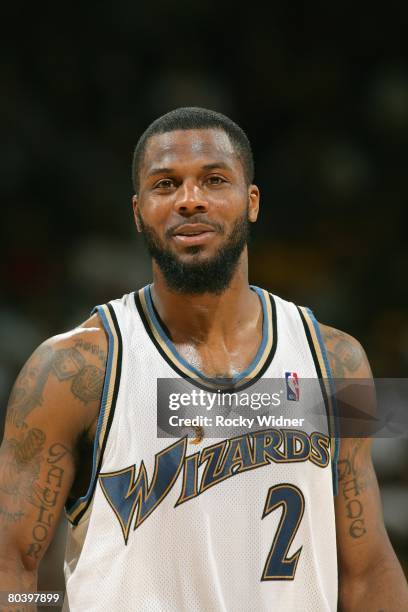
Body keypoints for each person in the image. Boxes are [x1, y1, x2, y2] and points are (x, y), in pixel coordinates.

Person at [0, 107, 407, 612]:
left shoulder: (336, 360)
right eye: (166, 184)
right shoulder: (73, 371)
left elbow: (368, 569)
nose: (190, 200)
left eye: (214, 180)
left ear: (251, 201)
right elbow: (10, 568)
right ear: (137, 210)